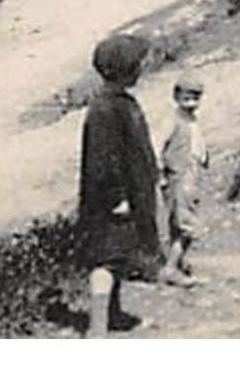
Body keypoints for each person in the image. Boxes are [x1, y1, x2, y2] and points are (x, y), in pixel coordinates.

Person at [75, 33, 164, 337]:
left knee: (118, 258)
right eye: (137, 64)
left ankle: (112, 315)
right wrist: (115, 197)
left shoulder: (120, 102)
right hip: (111, 198)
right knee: (105, 260)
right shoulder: (104, 109)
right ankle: (97, 325)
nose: (142, 69)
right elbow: (102, 159)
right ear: (124, 68)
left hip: (129, 194)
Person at [159, 71, 211, 287]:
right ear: (176, 97)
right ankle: (171, 268)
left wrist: (205, 158)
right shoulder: (172, 121)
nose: (191, 103)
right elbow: (157, 145)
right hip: (178, 175)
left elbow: (198, 143)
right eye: (186, 98)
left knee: (181, 221)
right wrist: (160, 172)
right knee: (186, 224)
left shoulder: (192, 120)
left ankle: (177, 264)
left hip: (191, 173)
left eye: (195, 98)